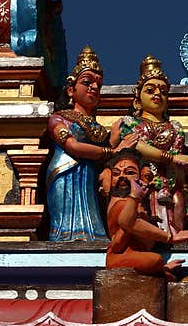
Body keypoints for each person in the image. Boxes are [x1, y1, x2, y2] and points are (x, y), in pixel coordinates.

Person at [46, 46, 137, 242]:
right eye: (87, 82)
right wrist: (112, 151)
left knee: (92, 214)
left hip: (88, 176)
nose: (94, 88)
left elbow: (105, 152)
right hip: (66, 172)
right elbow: (73, 147)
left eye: (98, 84)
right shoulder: (60, 118)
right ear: (71, 89)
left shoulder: (97, 127)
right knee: (66, 223)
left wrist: (114, 137)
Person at [109, 55, 188, 237]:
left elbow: (179, 157)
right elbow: (138, 146)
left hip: (172, 184)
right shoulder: (129, 124)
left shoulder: (175, 127)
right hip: (144, 184)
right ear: (137, 99)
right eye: (150, 90)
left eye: (163, 92)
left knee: (176, 213)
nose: (157, 94)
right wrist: (171, 158)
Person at [104, 150, 188, 281]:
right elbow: (128, 222)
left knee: (156, 262)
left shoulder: (137, 203)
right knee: (156, 259)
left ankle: (160, 272)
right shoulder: (121, 202)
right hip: (120, 256)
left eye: (129, 173)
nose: (122, 177)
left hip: (134, 255)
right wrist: (170, 238)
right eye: (116, 174)